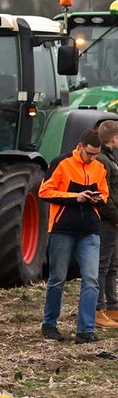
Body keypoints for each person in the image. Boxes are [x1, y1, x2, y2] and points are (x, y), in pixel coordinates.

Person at [38, 129, 109, 343]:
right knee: (57, 279)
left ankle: (85, 330)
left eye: (96, 154)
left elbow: (105, 193)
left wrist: (98, 199)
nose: (93, 158)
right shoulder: (61, 163)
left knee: (91, 279)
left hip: (90, 231)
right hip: (62, 230)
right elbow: (44, 192)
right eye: (90, 154)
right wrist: (74, 197)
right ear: (80, 147)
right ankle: (49, 325)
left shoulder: (100, 167)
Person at [93, 120, 118, 328]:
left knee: (112, 266)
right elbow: (104, 196)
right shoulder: (102, 160)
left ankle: (112, 307)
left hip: (112, 221)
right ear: (114, 138)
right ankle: (98, 310)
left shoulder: (109, 158)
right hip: (106, 221)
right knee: (102, 266)